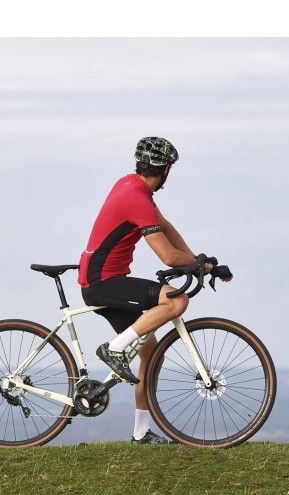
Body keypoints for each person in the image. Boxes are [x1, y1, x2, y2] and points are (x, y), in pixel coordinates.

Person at [77, 136, 233, 444]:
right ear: (165, 170)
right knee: (176, 301)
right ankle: (114, 348)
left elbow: (166, 228)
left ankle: (140, 433)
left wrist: (199, 262)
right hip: (102, 282)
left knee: (152, 355)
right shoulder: (137, 198)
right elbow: (168, 256)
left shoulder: (132, 186)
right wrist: (203, 266)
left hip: (105, 279)